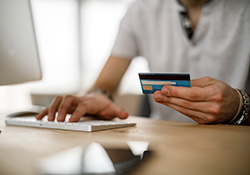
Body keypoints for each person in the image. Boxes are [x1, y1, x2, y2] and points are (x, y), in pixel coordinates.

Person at [36, 0, 250, 125]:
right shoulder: (141, 9)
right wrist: (97, 96)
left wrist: (241, 107)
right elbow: (107, 81)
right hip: (165, 141)